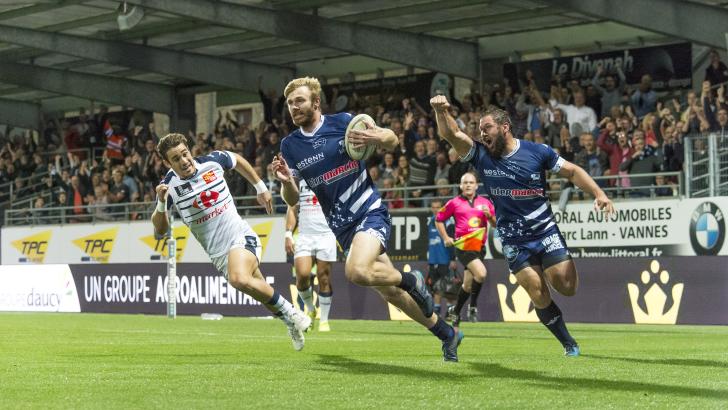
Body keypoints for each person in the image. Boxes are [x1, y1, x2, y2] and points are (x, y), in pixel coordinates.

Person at [273, 77, 463, 362]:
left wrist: (375, 137)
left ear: (315, 102)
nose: (294, 107)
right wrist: (286, 181)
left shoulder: (345, 122)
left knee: (357, 272)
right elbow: (290, 199)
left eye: (299, 100)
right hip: (342, 227)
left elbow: (391, 139)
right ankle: (447, 334)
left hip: (369, 211)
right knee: (391, 294)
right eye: (289, 103)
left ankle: (412, 279)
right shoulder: (290, 146)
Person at [431, 95, 615, 357]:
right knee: (536, 290)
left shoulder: (537, 151)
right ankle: (568, 343)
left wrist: (599, 193)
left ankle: (552, 272)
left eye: (487, 129)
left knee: (567, 286)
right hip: (513, 239)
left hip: (545, 231)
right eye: (481, 130)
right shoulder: (481, 155)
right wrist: (440, 111)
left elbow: (573, 172)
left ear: (504, 127)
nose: (482, 134)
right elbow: (453, 134)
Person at [151, 133, 311, 351]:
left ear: (190, 151)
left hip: (241, 236)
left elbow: (237, 160)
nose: (184, 161)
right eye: (176, 159)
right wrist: (161, 204)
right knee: (261, 292)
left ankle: (293, 312)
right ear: (167, 163)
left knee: (238, 278)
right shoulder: (169, 187)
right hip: (219, 256)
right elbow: (159, 230)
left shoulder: (213, 161)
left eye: (185, 154)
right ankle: (289, 321)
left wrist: (260, 187)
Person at [435, 172, 495, 327]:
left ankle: (455, 311)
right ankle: (473, 307)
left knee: (467, 285)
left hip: (479, 247)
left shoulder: (485, 202)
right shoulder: (453, 203)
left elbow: (495, 224)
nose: (468, 185)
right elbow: (439, 219)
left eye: (471, 182)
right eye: (465, 182)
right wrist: (446, 238)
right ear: (461, 186)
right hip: (464, 246)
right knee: (481, 274)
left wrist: (489, 217)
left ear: (476, 185)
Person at [285, 178, 337, 332]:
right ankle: (310, 308)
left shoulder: (330, 180)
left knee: (324, 277)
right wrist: (288, 234)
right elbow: (292, 209)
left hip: (326, 234)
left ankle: (325, 320)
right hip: (305, 236)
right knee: (302, 275)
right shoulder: (298, 183)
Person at [426, 198, 457, 317]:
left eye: (438, 207)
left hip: (445, 260)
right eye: (433, 207)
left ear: (443, 208)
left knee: (448, 288)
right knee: (435, 288)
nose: (435, 209)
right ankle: (437, 312)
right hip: (433, 260)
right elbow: (429, 242)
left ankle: (450, 312)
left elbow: (452, 242)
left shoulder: (448, 222)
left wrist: (453, 259)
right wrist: (429, 261)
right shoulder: (431, 221)